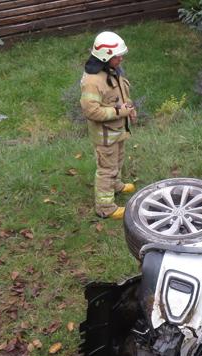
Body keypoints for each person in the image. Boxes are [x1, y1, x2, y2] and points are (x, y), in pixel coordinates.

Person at [79, 30, 136, 219]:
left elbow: (120, 93)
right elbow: (91, 111)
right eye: (117, 56)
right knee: (106, 169)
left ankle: (116, 185)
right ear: (105, 56)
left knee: (118, 160)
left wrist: (129, 107)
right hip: (105, 136)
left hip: (117, 131)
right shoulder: (92, 82)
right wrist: (120, 112)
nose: (120, 59)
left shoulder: (112, 70)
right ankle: (105, 207)